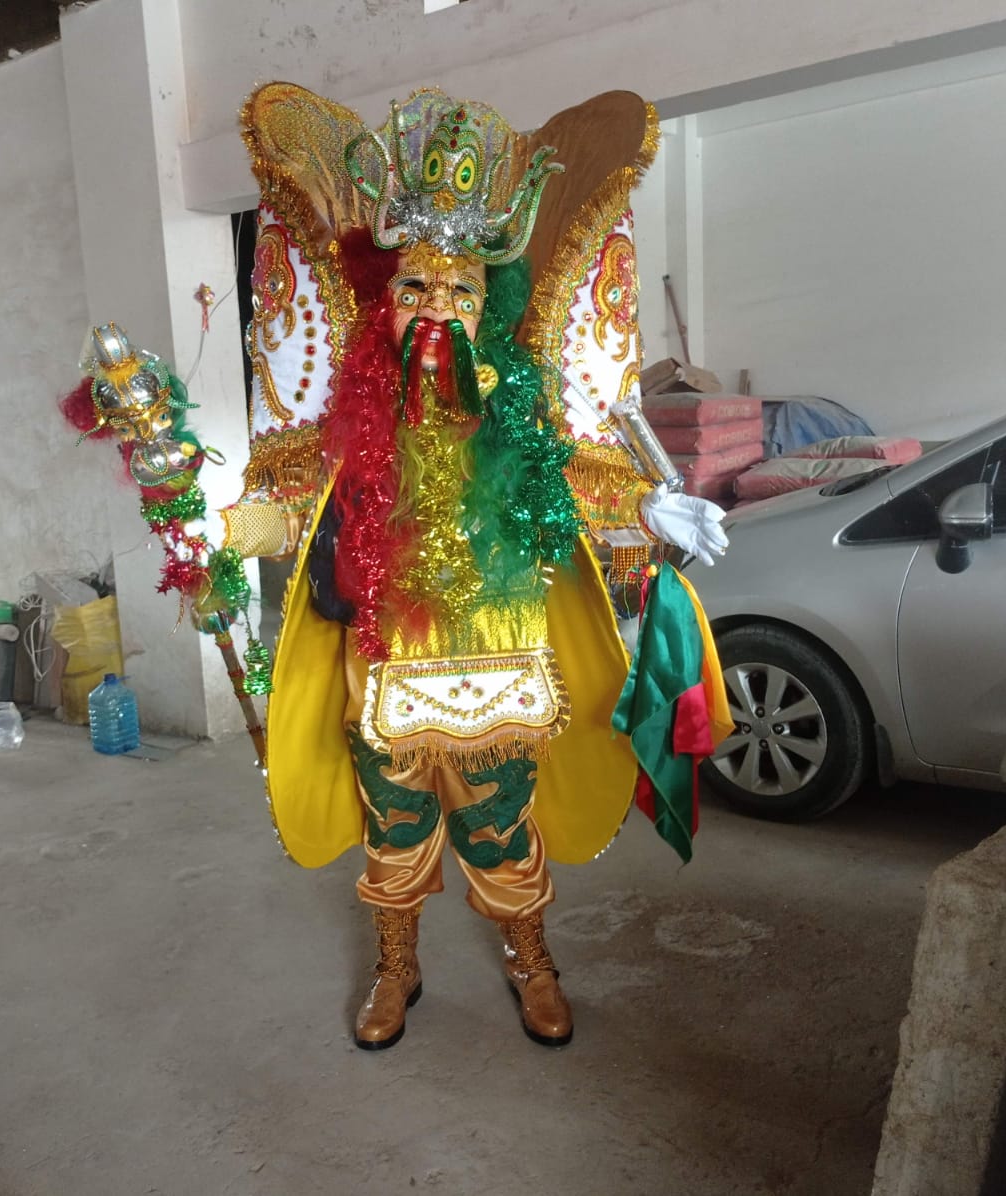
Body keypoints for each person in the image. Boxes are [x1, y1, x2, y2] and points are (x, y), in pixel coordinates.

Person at [223, 83, 731, 1050]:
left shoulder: (519, 406)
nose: (436, 310)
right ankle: (397, 965)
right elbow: (297, 500)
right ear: (386, 306)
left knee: (501, 826)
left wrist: (646, 508)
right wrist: (246, 526)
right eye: (415, 290)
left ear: (485, 306)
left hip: (501, 657)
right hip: (384, 663)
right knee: (394, 827)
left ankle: (531, 958)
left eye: (458, 292)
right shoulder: (354, 409)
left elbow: (578, 481)